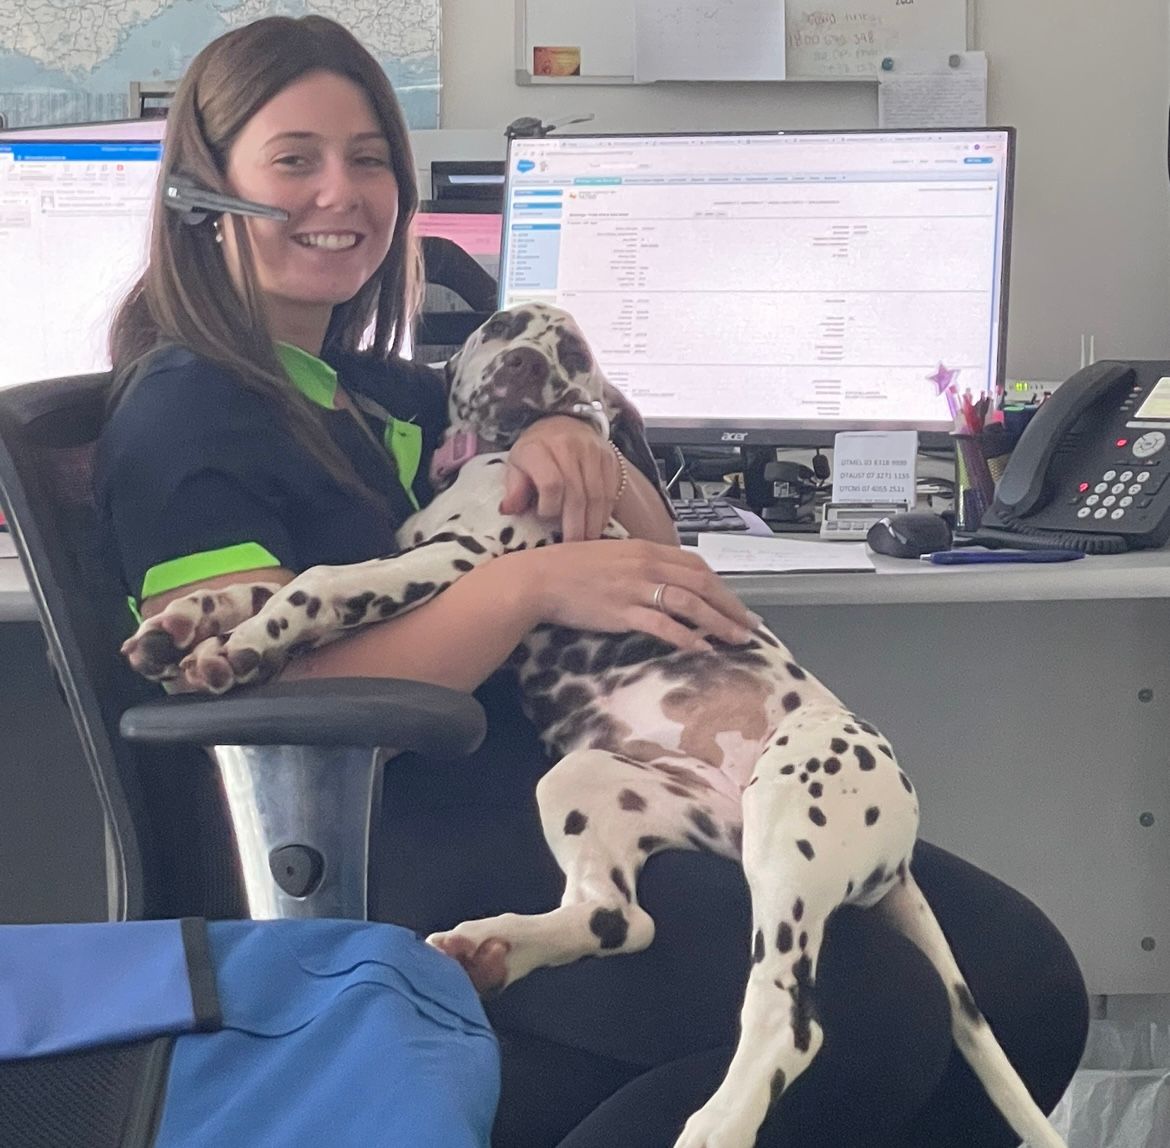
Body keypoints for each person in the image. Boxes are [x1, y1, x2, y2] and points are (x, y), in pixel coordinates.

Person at [95, 15, 1088, 1148]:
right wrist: (533, 587)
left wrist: (579, 440)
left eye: (369, 158)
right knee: (865, 1013)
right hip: (392, 832)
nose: (342, 191)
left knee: (1026, 984)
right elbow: (273, 693)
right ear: (204, 192)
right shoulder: (187, 411)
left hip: (592, 774)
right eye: (295, 159)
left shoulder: (388, 395)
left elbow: (662, 569)